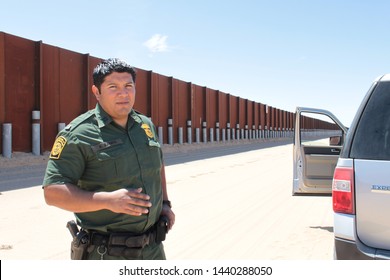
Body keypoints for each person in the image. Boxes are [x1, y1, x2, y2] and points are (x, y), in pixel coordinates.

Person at [43, 58, 175, 260]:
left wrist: (165, 203)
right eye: (113, 87)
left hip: (153, 249)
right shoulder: (78, 134)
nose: (123, 93)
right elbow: (52, 192)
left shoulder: (145, 125)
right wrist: (108, 200)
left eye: (128, 86)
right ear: (97, 92)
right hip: (107, 253)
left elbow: (158, 165)